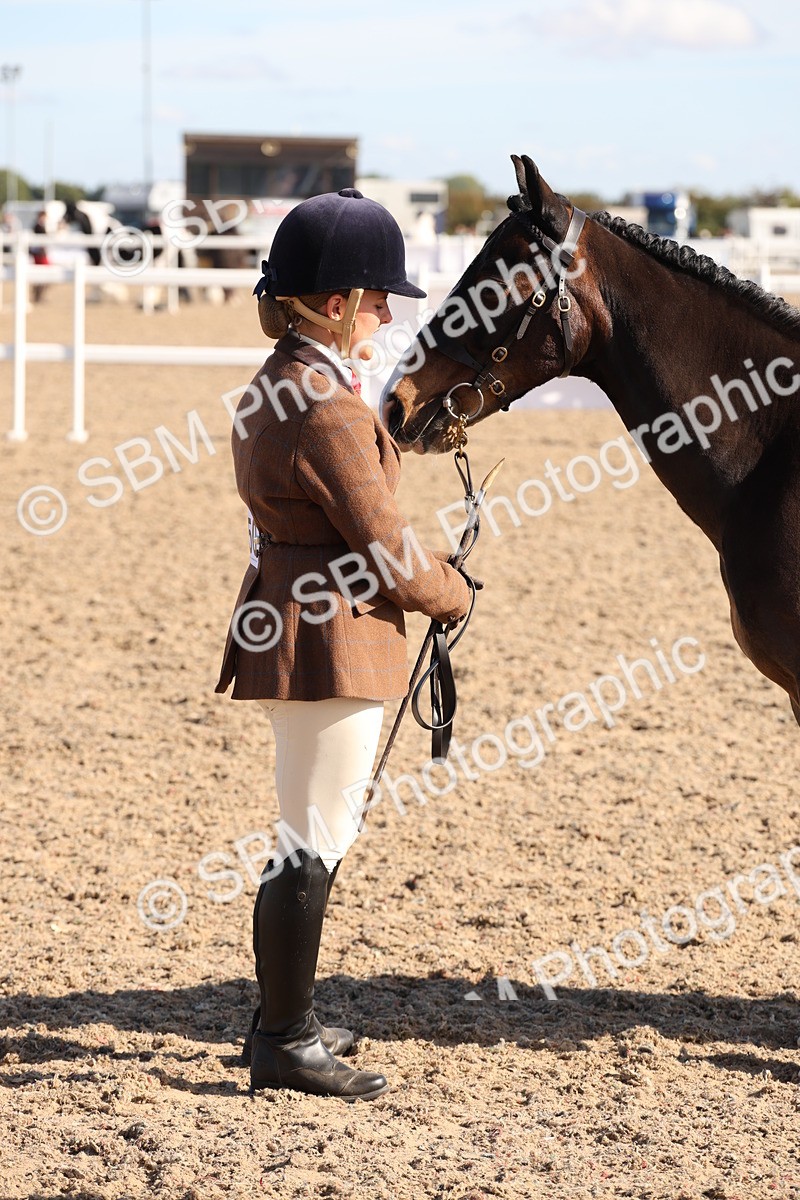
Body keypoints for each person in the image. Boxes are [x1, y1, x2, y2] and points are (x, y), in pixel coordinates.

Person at [215, 188, 472, 1101]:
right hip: (325, 637)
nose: (388, 317)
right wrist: (449, 590)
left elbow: (350, 526)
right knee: (315, 836)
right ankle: (285, 1039)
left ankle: (281, 1018)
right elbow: (383, 545)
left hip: (298, 618)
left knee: (311, 828)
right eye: (377, 300)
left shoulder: (284, 381)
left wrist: (428, 567)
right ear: (334, 302)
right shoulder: (320, 402)